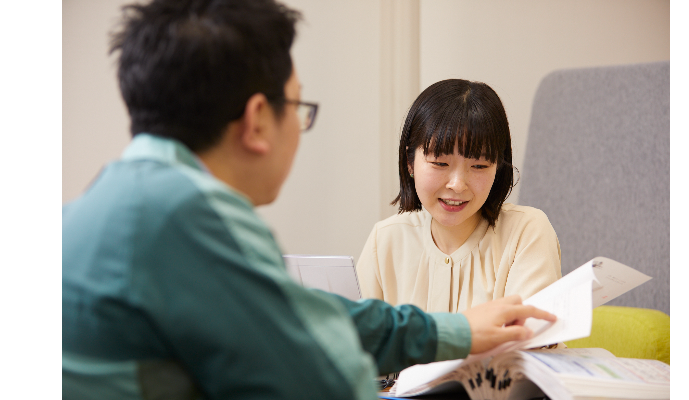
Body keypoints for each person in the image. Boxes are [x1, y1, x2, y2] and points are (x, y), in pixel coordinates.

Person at [61, 1, 555, 399]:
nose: (457, 183)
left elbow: (306, 317)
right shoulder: (199, 221)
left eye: (479, 165)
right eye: (298, 107)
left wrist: (452, 332)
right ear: (258, 120)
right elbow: (322, 367)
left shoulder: (96, 210)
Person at [356, 79, 564, 314]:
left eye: (479, 166)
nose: (457, 185)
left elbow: (527, 333)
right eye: (440, 163)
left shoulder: (526, 232)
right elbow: (350, 334)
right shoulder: (385, 240)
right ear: (410, 162)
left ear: (498, 167)